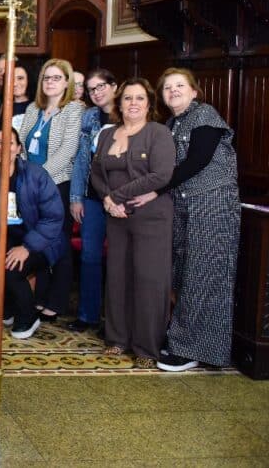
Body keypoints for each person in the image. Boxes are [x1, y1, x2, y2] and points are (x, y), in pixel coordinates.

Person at [150, 68, 240, 372]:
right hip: (187, 206)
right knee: (188, 275)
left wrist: (154, 189)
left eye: (180, 85)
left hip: (212, 206)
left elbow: (198, 161)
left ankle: (189, 348)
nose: (173, 91)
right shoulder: (171, 123)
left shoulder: (205, 115)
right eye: (167, 87)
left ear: (194, 91)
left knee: (205, 277)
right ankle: (192, 344)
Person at [89, 78, 175, 369]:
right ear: (119, 103)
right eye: (128, 98)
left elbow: (161, 175)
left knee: (149, 281)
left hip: (151, 217)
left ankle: (147, 348)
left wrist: (116, 196)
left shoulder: (158, 133)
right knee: (118, 277)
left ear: (149, 104)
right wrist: (108, 201)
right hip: (116, 217)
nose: (133, 103)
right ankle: (117, 338)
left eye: (140, 98)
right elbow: (96, 173)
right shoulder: (107, 134)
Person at [0, 128, 65, 340]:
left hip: (40, 241)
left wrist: (27, 247)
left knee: (12, 269)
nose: (3, 148)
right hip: (3, 240)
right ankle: (10, 307)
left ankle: (28, 316)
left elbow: (53, 217)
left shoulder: (36, 174)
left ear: (18, 148)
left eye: (10, 143)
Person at [16, 59, 83, 321]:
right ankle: (40, 296)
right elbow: (20, 143)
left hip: (56, 184)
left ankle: (57, 301)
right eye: (46, 78)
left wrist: (39, 178)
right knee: (37, 241)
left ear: (66, 82)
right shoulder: (34, 108)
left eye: (56, 78)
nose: (50, 83)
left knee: (59, 244)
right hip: (29, 184)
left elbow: (68, 149)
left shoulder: (73, 110)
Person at [67, 69, 118, 333]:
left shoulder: (129, 113)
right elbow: (80, 160)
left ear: (114, 86)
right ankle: (88, 315)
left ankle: (116, 320)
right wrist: (76, 197)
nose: (97, 93)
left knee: (120, 259)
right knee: (89, 256)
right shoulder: (89, 116)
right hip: (92, 198)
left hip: (123, 199)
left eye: (101, 87)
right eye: (91, 89)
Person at [0, 66, 31, 133]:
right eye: (11, 79)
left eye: (20, 78)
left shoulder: (38, 107)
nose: (15, 83)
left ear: (29, 80)